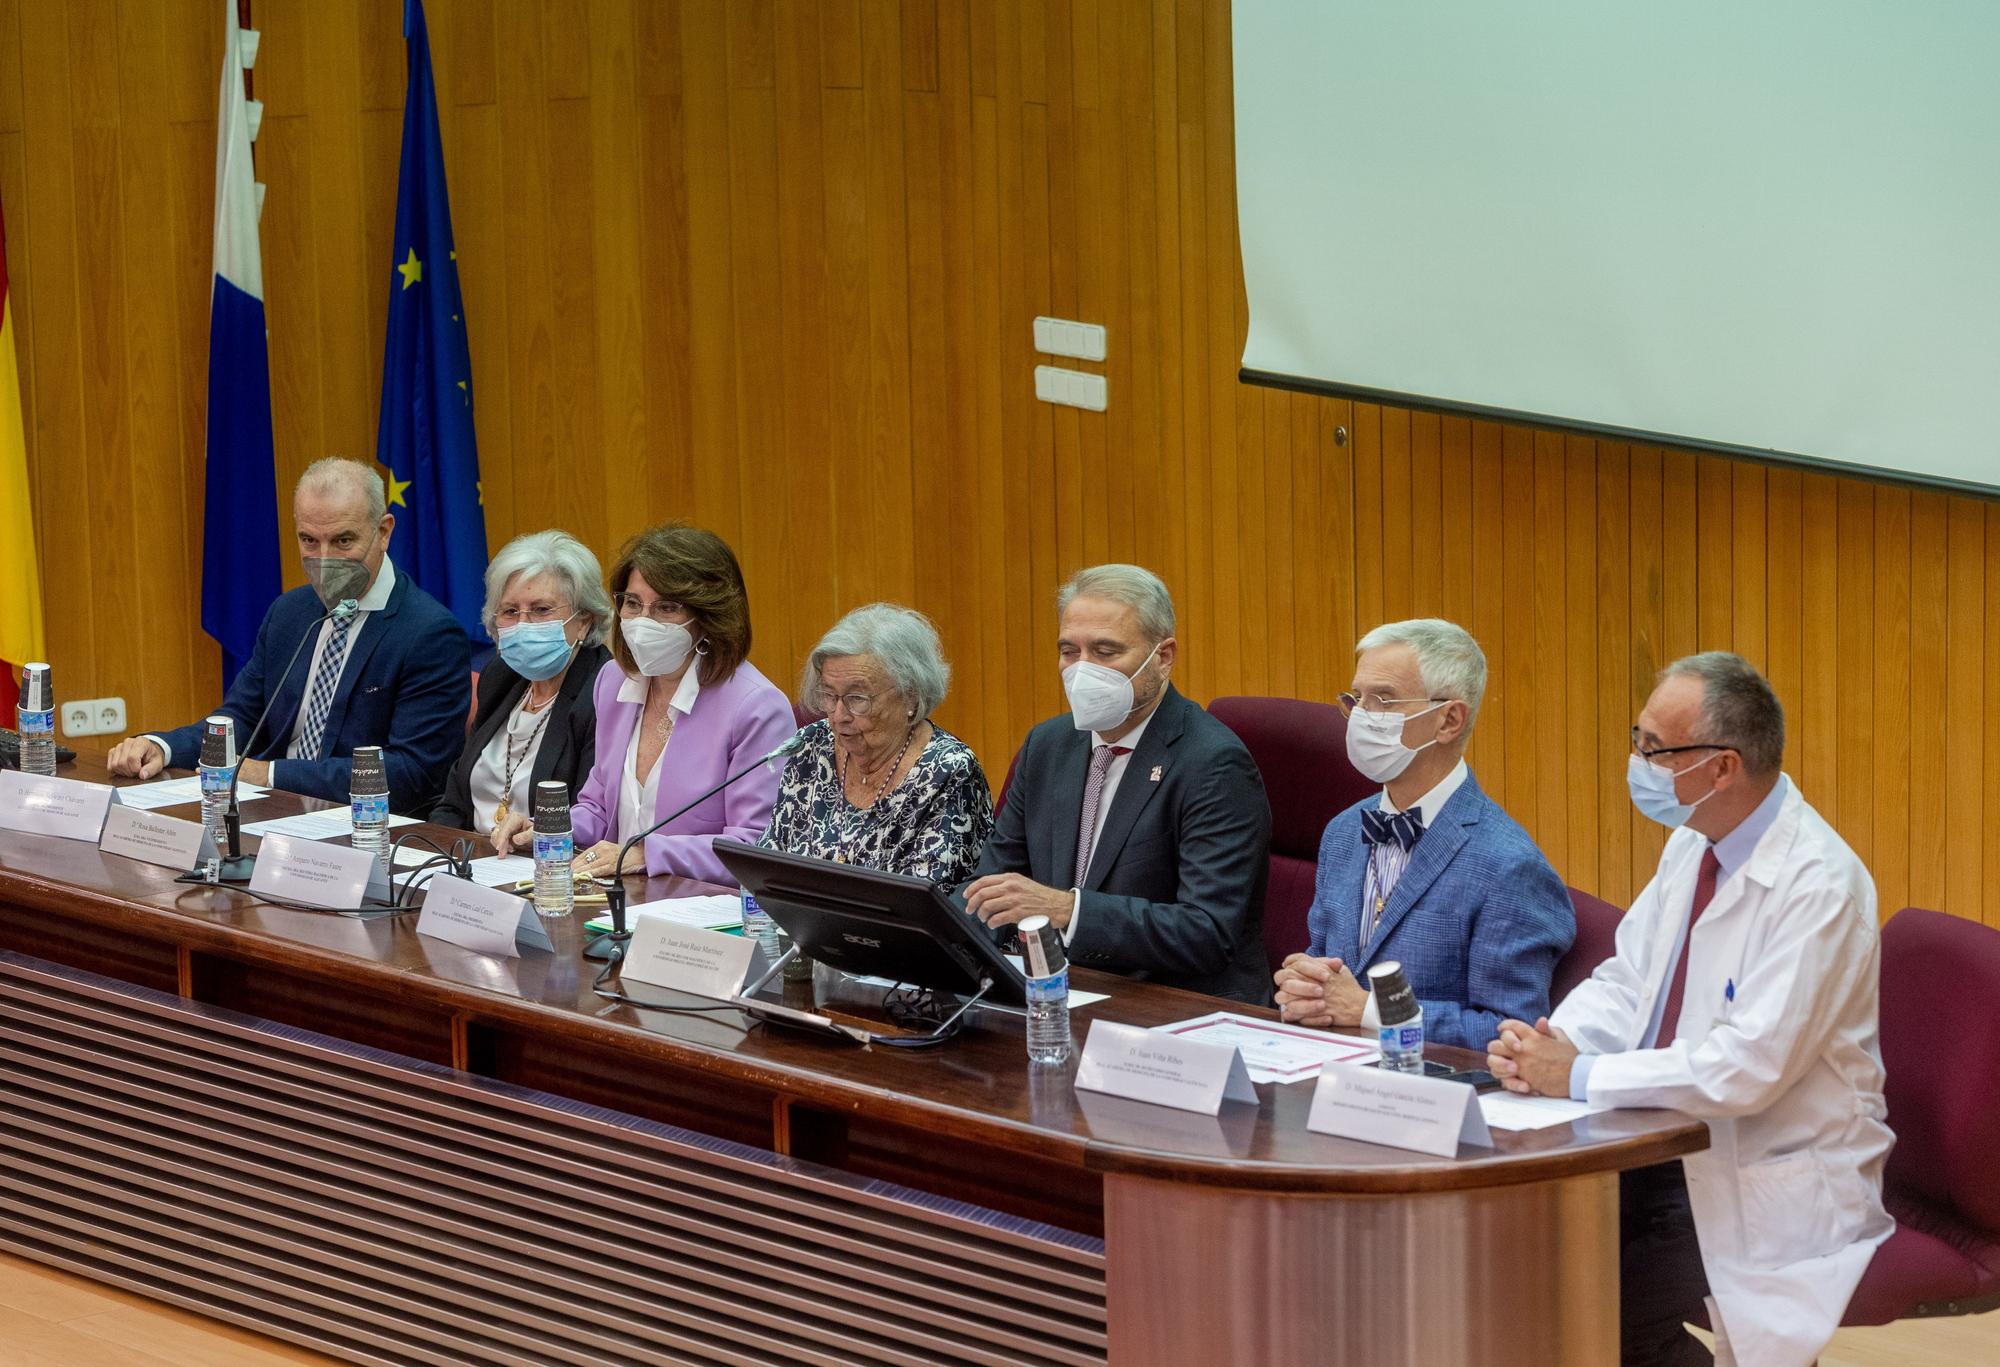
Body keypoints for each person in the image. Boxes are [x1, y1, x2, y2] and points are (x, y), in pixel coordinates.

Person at [1486, 652, 1892, 1367]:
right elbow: (1630, 977)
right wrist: (1553, 1043)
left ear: (1722, 767)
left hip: (1764, 1163)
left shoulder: (1820, 886)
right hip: (1664, 1138)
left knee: (1605, 1306)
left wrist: (1579, 1075)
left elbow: (1747, 1069)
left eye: (1653, 748)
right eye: (1636, 739)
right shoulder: (1693, 844)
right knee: (1535, 1264)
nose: (1636, 761)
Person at [961, 564, 1271, 1004]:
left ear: (1163, 657)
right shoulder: (1048, 745)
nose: (1082, 670)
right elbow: (992, 885)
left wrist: (1069, 911)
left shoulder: (1213, 762)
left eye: (1105, 652)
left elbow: (1207, 931)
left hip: (1175, 1008)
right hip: (1064, 995)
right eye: (1070, 652)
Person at [1271, 619, 1573, 1050]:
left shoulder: (1509, 865)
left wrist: (1372, 1012)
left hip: (1431, 1096)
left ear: (1448, 720)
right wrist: (1304, 985)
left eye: (1385, 700)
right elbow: (1329, 968)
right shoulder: (1343, 831)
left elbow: (1511, 1031)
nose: (1361, 716)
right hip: (1330, 1073)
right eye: (1356, 699)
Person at [107, 458, 469, 815]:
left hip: (367, 825)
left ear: (384, 531)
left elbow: (412, 772)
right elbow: (242, 718)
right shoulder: (290, 613)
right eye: (309, 540)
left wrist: (271, 774)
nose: (324, 559)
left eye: (343, 541)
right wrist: (162, 747)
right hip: (277, 814)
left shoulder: (429, 633)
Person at [492, 523, 792, 884]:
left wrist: (644, 854)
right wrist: (544, 831)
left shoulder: (756, 708)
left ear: (709, 618)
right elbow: (599, 809)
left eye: (666, 607)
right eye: (633, 604)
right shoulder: (615, 681)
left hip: (702, 917)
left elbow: (755, 846)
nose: (642, 622)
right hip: (620, 901)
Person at [762, 604, 994, 885]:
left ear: (910, 696)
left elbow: (929, 903)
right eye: (829, 695)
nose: (838, 716)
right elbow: (769, 863)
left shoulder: (950, 771)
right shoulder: (813, 745)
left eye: (857, 699)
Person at [430, 531, 613, 835]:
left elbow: (592, 818)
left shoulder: (601, 693)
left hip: (543, 865)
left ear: (585, 621)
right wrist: (432, 854)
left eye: (541, 610)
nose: (523, 624)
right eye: (510, 611)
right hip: (471, 859)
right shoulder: (500, 677)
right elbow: (454, 802)